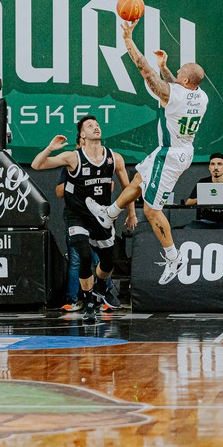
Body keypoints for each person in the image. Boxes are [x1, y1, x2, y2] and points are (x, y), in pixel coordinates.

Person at [85, 25, 208, 286]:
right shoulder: (201, 96)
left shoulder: (173, 95)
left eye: (180, 71)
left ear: (186, 80)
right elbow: (174, 85)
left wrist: (128, 40)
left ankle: (173, 257)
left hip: (171, 155)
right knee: (138, 180)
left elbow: (144, 70)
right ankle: (110, 213)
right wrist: (164, 66)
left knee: (152, 210)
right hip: (175, 149)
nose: (176, 72)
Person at [32, 115, 135, 321]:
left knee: (108, 261)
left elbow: (129, 187)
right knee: (84, 257)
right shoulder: (73, 157)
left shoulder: (114, 158)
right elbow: (36, 165)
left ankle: (100, 288)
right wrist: (50, 148)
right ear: (82, 135)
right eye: (90, 126)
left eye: (97, 125)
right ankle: (88, 300)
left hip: (102, 216)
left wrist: (131, 212)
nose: (95, 127)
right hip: (76, 215)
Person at [183, 152, 223, 230]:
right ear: (209, 167)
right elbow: (188, 203)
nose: (216, 167)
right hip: (204, 222)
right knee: (188, 229)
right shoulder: (202, 182)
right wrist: (204, 197)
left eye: (219, 164)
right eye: (213, 164)